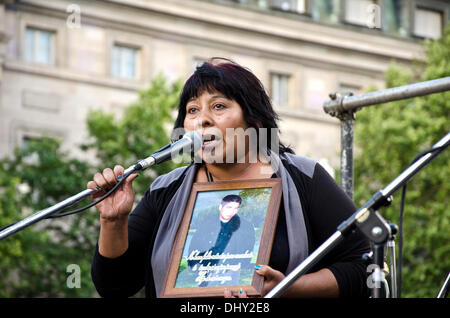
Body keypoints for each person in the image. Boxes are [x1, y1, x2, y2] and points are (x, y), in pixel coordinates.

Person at [89, 57, 370, 298]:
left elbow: (363, 265)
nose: (203, 119)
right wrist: (113, 222)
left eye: (219, 106)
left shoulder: (305, 178)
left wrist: (290, 287)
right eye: (193, 110)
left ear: (254, 121)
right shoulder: (166, 189)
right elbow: (115, 286)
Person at [185, 194, 255, 287]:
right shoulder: (206, 223)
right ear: (220, 207)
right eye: (229, 207)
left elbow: (249, 246)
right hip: (207, 267)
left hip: (232, 268)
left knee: (231, 295)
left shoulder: (246, 226)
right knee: (204, 295)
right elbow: (195, 244)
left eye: (235, 208)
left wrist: (240, 264)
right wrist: (193, 264)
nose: (232, 211)